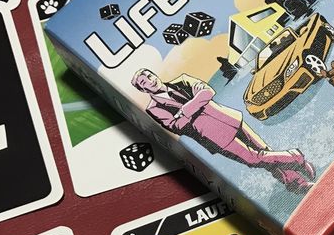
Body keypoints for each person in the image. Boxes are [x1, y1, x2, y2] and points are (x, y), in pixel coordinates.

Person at [132, 69, 315, 191]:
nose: (150, 80)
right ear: (143, 89)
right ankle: (296, 157)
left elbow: (208, 92)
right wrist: (196, 103)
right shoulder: (153, 108)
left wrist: (185, 110)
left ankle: (296, 183)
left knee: (265, 153)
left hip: (228, 118)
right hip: (214, 137)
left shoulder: (183, 80)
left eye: (149, 75)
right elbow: (176, 126)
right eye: (144, 81)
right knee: (254, 159)